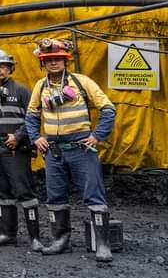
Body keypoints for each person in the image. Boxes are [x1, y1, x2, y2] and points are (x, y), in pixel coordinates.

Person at [26, 38, 116, 262]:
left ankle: (103, 244)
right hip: (54, 150)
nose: (53, 63)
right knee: (55, 196)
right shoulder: (40, 86)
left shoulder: (81, 82)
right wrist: (36, 137)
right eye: (48, 60)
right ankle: (61, 240)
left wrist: (97, 136)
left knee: (94, 194)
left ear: (66, 60)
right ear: (42, 63)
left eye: (57, 59)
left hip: (81, 147)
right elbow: (31, 115)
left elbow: (108, 109)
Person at [0, 48, 40, 250]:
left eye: (2, 66)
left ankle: (35, 238)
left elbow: (33, 118)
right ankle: (8, 234)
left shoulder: (21, 90)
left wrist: (19, 136)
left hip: (16, 149)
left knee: (24, 192)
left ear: (10, 68)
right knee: (2, 192)